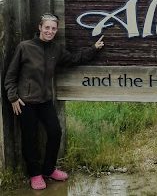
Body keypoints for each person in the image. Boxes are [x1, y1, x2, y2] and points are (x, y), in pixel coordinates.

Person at [3, 13, 104, 190]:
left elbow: (73, 59)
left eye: (53, 28)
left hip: (44, 101)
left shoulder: (56, 50)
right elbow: (10, 76)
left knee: (55, 132)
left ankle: (49, 169)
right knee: (29, 138)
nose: (50, 31)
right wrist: (13, 97)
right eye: (47, 27)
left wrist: (93, 49)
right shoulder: (24, 47)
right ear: (40, 28)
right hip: (25, 102)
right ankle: (35, 174)